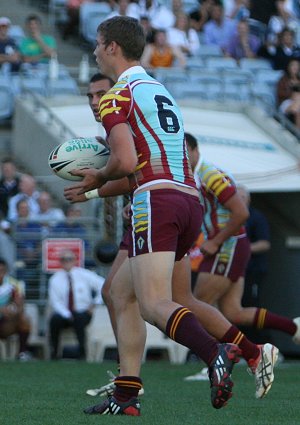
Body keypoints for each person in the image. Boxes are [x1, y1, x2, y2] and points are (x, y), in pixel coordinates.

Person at [64, 17, 277, 416]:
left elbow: (126, 162)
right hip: (187, 201)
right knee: (122, 292)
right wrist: (98, 184)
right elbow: (149, 162)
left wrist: (98, 173)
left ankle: (216, 353)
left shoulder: (116, 96)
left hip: (155, 203)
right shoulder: (160, 90)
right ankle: (127, 395)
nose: (93, 51)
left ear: (111, 47)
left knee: (153, 303)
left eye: (97, 44)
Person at [185, 133, 300, 357]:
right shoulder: (199, 174)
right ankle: (292, 328)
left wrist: (215, 241)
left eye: (182, 151)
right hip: (232, 246)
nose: (177, 156)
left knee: (199, 305)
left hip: (226, 247)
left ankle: (215, 358)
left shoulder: (210, 174)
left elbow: (241, 212)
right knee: (233, 312)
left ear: (193, 149)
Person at [48, 249, 104, 360]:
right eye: (64, 259)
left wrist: (95, 303)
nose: (67, 261)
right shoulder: (55, 279)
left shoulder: (84, 274)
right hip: (64, 314)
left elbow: (103, 285)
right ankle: (54, 353)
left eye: (69, 259)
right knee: (54, 320)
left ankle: (82, 353)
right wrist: (68, 314)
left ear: (74, 260)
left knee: (79, 318)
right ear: (60, 262)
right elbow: (55, 302)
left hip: (83, 312)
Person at [0, 258, 32, 361]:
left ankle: (22, 353)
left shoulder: (14, 284)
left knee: (24, 319)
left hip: (6, 323)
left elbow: (20, 305)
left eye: (2, 271)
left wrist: (14, 310)